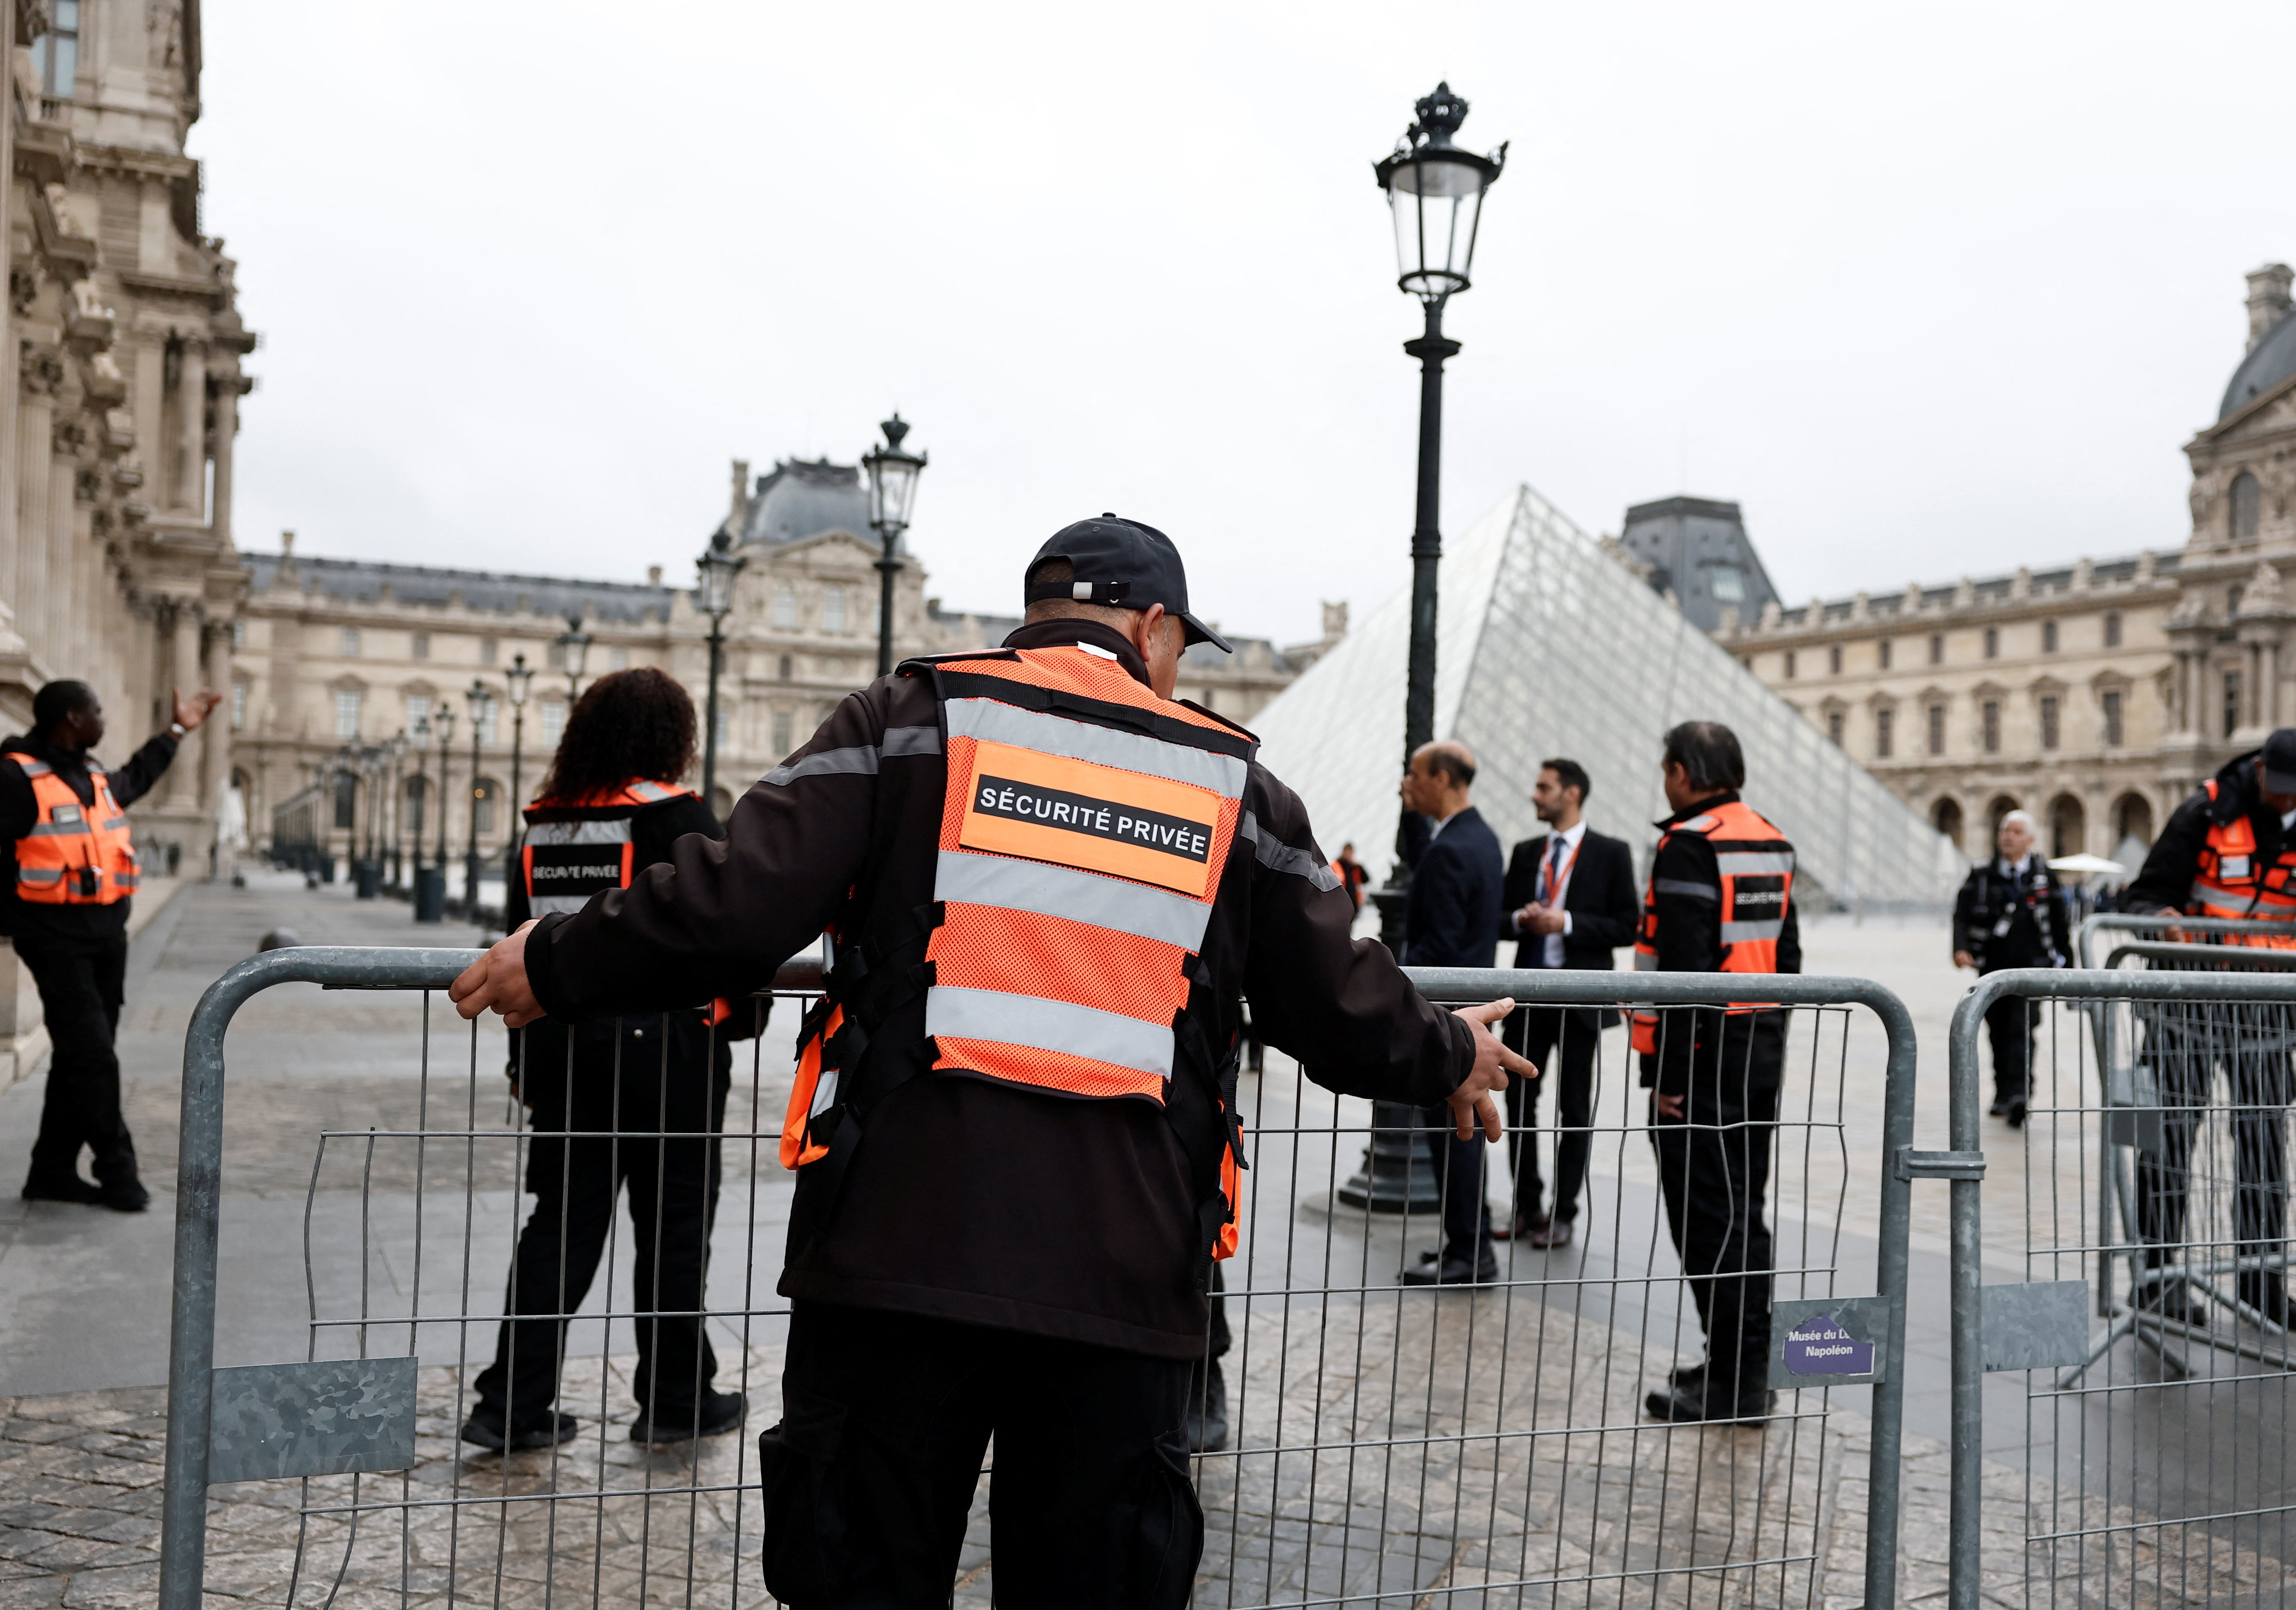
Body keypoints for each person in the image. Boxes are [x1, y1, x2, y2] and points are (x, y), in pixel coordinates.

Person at [448, 514, 1532, 1606]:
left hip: (897, 1247)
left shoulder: (914, 718)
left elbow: (736, 899)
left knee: (864, 1579)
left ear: (1034, 618)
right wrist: (1449, 1055)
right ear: (1153, 629)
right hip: (1125, 1266)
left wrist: (560, 958)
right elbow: (1331, 996)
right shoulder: (1231, 781)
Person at [459, 669, 749, 1452]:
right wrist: (743, 1018)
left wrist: (525, 1058)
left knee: (561, 1224)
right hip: (666, 1050)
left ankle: (510, 1400)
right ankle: (675, 1394)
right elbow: (721, 924)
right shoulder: (677, 814)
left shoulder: (544, 822)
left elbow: (518, 941)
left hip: (562, 1042)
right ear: (671, 737)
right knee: (676, 1226)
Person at [2120, 727, 2296, 1336]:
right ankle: (2157, 1281)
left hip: (2265, 1007)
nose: (2289, 802)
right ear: (2259, 771)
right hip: (2186, 1002)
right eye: (2280, 789)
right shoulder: (2206, 811)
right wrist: (2160, 919)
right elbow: (2148, 891)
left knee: (2264, 1146)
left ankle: (2263, 1285)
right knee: (2167, 1141)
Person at [1633, 721, 1799, 1426]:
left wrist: (1668, 1078)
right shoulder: (1768, 837)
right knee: (1743, 1215)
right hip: (1755, 1053)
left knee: (1707, 1223)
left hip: (1697, 1069)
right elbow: (1786, 958)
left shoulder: (1689, 845)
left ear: (1682, 772)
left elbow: (1684, 976)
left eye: (1666, 768)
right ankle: (1740, 1363)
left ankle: (1736, 1385)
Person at [4, 678, 219, 1212]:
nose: (103, 718)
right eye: (96, 711)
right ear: (73, 719)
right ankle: (118, 1171)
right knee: (94, 1056)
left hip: (106, 939)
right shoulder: (13, 776)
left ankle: (50, 1170)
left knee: (82, 1058)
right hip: (54, 939)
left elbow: (138, 776)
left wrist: (175, 731)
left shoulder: (93, 775)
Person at [1496, 758, 1637, 1249]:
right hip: (1529, 999)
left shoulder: (1612, 854)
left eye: (1544, 787)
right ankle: (1527, 1207)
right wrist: (1522, 918)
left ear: (1572, 793)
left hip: (1579, 999)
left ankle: (1564, 1212)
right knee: (1518, 1102)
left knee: (1574, 1107)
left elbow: (1627, 924)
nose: (1535, 795)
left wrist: (1568, 922)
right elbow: (1499, 918)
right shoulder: (1525, 851)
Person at [1396, 739, 1506, 1286]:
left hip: (1447, 1021)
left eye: (1415, 776)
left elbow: (1435, 947)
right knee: (1458, 1137)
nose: (1407, 784)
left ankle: (1469, 1252)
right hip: (1474, 1012)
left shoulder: (1450, 851)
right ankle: (1467, 1244)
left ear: (1442, 779)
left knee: (1454, 1139)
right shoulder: (1480, 838)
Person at [1951, 809, 2071, 1127]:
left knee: (2023, 1030)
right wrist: (1961, 948)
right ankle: (2003, 1092)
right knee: (1996, 1032)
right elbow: (1961, 914)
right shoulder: (1981, 875)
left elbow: (2061, 924)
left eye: (2017, 832)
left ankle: (2020, 1094)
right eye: (2005, 830)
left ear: (2030, 839)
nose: (2009, 836)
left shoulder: (2045, 875)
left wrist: (2070, 967)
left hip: (2032, 969)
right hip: (1992, 967)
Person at [1332, 841, 1369, 911]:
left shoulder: (1355, 867)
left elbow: (1366, 879)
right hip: (1340, 899)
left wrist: (1359, 866)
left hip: (1353, 900)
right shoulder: (1337, 865)